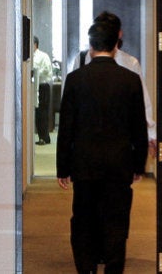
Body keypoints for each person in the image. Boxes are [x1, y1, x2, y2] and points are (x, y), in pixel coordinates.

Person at [57, 21, 148, 274]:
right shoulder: (130, 80)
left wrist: (62, 168)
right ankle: (113, 269)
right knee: (116, 221)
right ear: (115, 45)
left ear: (91, 45)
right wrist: (138, 163)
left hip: (84, 164)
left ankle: (86, 269)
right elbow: (138, 126)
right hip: (119, 164)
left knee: (84, 220)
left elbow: (66, 127)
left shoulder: (75, 79)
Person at [71, 11, 157, 157]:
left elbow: (142, 103)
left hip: (120, 140)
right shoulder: (81, 60)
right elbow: (71, 105)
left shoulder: (130, 63)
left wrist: (150, 134)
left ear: (119, 34)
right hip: (86, 139)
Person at [33, 36, 53, 145]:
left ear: (35, 44)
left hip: (43, 86)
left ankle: (45, 138)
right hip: (34, 87)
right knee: (37, 112)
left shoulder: (43, 56)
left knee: (43, 112)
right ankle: (42, 137)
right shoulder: (30, 57)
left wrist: (35, 73)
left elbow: (46, 70)